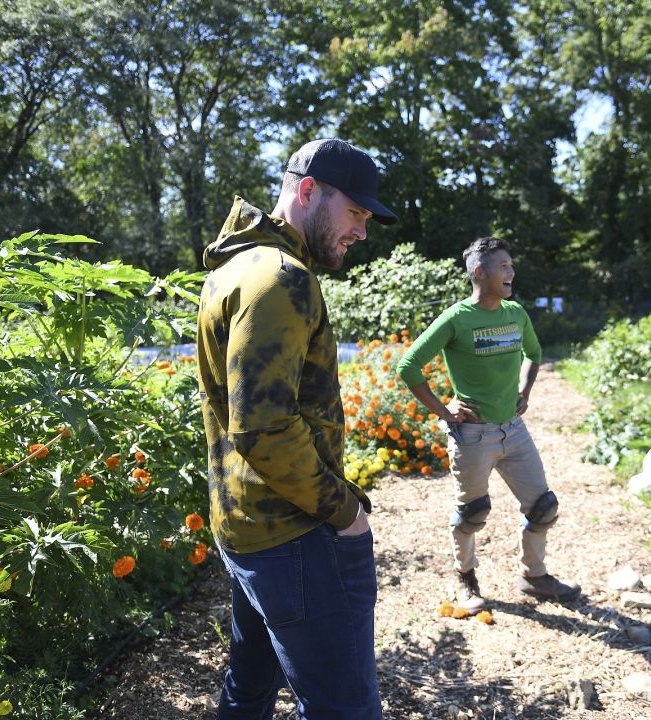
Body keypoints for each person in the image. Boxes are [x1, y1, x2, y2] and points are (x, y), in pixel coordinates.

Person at [195, 138, 397, 719]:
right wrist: (345, 513)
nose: (362, 230)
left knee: (249, 689)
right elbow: (263, 427)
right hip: (294, 536)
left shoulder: (237, 267)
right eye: (355, 212)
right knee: (344, 708)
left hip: (248, 526)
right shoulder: (280, 279)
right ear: (307, 191)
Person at [395, 236, 581, 615]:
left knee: (543, 506)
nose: (511, 271)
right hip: (473, 436)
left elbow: (535, 353)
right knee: (472, 512)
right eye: (504, 266)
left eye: (512, 265)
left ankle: (534, 577)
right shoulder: (457, 319)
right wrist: (445, 412)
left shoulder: (516, 313)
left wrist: (524, 391)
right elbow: (408, 367)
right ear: (480, 272)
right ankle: (465, 578)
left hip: (513, 430)